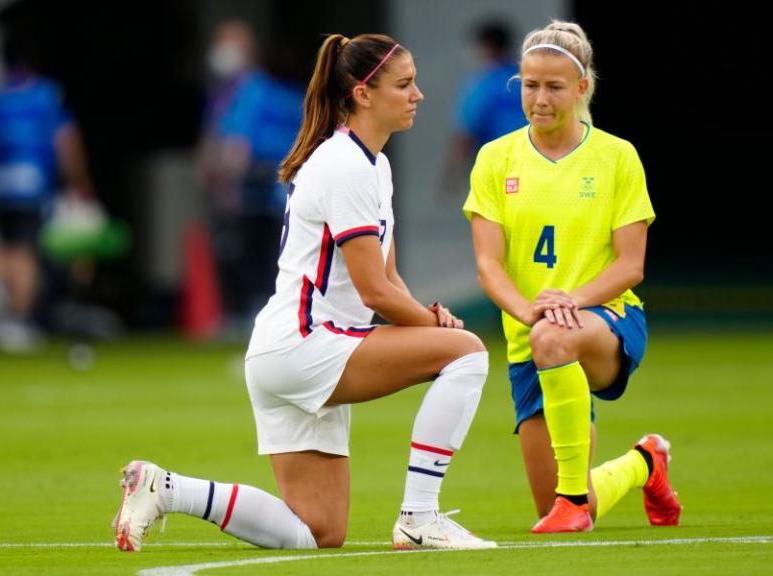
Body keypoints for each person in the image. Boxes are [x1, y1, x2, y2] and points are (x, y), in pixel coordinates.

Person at [114, 33, 496, 552]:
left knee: (319, 532)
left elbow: (389, 280)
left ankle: (167, 488)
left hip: (290, 349)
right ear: (363, 93)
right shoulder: (343, 165)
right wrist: (439, 330)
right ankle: (420, 517)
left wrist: (431, 317)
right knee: (468, 355)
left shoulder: (373, 165)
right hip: (307, 346)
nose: (418, 95)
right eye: (404, 84)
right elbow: (375, 292)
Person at [463, 20, 682, 534]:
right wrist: (528, 310)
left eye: (555, 86)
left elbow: (631, 265)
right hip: (531, 336)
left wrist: (570, 302)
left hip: (608, 320)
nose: (540, 98)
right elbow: (488, 264)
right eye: (530, 85)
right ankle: (645, 463)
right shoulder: (495, 159)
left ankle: (573, 503)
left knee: (556, 336)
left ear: (582, 88)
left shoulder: (616, 157)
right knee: (557, 504)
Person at [0, 32, 94, 352]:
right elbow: (67, 142)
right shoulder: (44, 95)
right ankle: (19, 321)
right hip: (30, 184)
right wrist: (79, 183)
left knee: (3, 245)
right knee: (26, 253)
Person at [197, 20, 304, 333]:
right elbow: (216, 136)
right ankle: (250, 314)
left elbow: (237, 147)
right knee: (242, 252)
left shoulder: (253, 91)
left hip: (265, 188)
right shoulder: (224, 93)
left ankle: (263, 318)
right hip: (253, 188)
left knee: (260, 253)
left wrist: (227, 186)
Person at [441, 19, 525, 196]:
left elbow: (466, 134)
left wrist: (451, 176)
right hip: (536, 165)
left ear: (487, 47)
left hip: (498, 172)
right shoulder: (528, 80)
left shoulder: (482, 85)